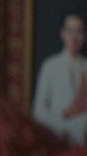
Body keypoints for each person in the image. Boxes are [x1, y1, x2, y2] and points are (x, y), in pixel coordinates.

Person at [32, 10, 87, 145]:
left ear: (84, 35)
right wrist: (63, 122)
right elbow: (38, 111)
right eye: (70, 31)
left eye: (79, 31)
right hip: (57, 135)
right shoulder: (50, 66)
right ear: (62, 33)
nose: (74, 37)